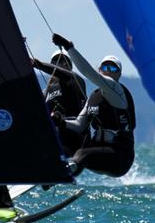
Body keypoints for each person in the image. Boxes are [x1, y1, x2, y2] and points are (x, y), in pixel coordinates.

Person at [50, 33, 136, 177]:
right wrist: (59, 121)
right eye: (105, 67)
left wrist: (69, 47)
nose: (108, 71)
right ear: (100, 69)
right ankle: (46, 170)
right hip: (97, 152)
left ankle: (62, 174)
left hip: (119, 157)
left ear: (119, 74)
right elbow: (79, 125)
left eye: (113, 69)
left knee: (83, 153)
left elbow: (88, 72)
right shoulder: (94, 96)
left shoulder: (118, 90)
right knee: (63, 135)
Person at [32, 50, 88, 155]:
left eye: (64, 61)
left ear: (70, 67)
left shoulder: (76, 80)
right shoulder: (47, 90)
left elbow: (63, 73)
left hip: (74, 137)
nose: (61, 63)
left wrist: (37, 64)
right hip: (54, 138)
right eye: (56, 60)